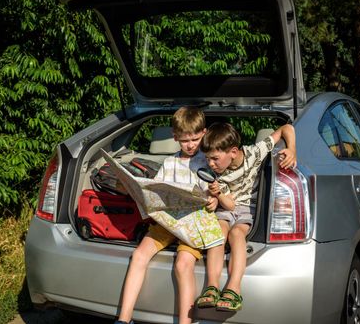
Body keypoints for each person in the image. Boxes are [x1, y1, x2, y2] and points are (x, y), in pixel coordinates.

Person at [114, 106, 219, 324]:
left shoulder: (207, 161)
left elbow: (215, 193)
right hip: (168, 221)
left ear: (204, 134)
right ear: (175, 138)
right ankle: (124, 319)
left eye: (195, 139)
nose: (190, 145)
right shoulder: (169, 162)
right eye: (184, 141)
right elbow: (158, 189)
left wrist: (213, 201)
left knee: (183, 264)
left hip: (193, 225)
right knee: (139, 255)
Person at [195, 122, 296, 312]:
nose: (210, 164)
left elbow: (287, 128)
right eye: (208, 159)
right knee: (217, 234)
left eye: (214, 158)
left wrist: (292, 149)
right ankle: (212, 287)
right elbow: (229, 205)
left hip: (248, 208)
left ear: (233, 152)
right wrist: (218, 193)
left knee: (236, 234)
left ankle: (233, 288)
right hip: (227, 206)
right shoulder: (216, 172)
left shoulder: (255, 153)